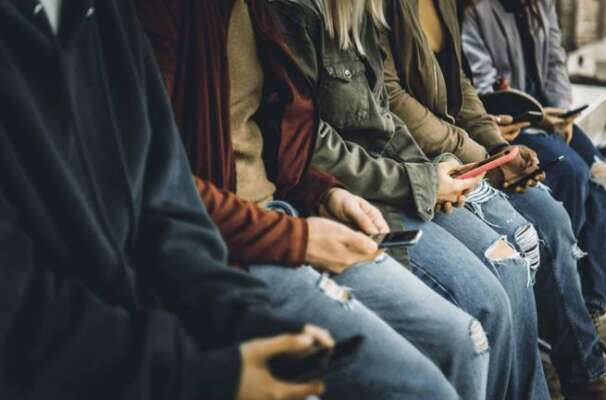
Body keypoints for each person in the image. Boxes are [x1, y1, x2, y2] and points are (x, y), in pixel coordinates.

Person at [135, 0, 490, 398]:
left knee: (465, 341)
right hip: (234, 246)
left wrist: (324, 193)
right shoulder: (165, 14)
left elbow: (283, 136)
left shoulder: (266, 12)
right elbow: (152, 183)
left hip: (298, 213)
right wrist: (298, 236)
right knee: (430, 382)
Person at [0, 0, 330, 399]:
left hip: (166, 328)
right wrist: (195, 374)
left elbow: (164, 197)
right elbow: (18, 317)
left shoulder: (105, 15)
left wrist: (244, 316)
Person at [256, 0, 557, 399]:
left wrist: (435, 177)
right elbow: (308, 144)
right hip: (366, 197)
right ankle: (581, 368)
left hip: (404, 180)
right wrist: (429, 177)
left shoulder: (360, 15)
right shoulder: (292, 13)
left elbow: (385, 117)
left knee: (514, 261)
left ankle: (576, 371)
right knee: (484, 308)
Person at [381, 1, 606, 399]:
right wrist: (481, 154)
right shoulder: (382, 9)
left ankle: (584, 370)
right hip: (423, 158)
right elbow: (393, 99)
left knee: (552, 218)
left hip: (465, 149)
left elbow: (462, 85)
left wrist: (499, 147)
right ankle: (558, 357)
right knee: (514, 250)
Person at [461, 0, 606, 328]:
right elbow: (485, 86)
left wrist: (561, 112)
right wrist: (538, 115)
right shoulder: (477, 10)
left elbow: (555, 60)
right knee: (571, 173)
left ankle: (592, 299)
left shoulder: (542, 5)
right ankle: (559, 300)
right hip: (514, 122)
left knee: (603, 178)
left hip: (550, 118)